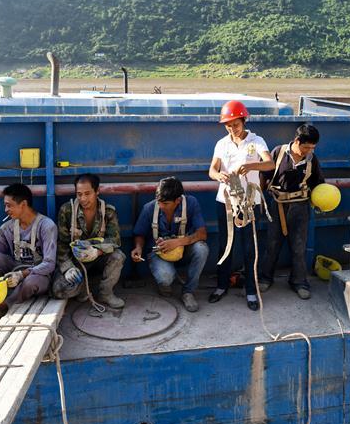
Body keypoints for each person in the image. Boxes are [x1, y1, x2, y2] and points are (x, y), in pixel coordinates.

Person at [207, 100, 273, 311]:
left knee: (248, 247)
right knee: (225, 245)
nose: (232, 129)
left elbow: (269, 164)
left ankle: (251, 291)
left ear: (243, 121)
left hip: (248, 203)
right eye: (228, 125)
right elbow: (212, 170)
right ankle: (221, 285)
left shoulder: (256, 141)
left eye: (235, 124)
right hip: (225, 201)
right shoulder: (222, 143)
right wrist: (219, 175)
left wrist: (250, 165)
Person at [0, 183, 57, 322]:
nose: (6, 209)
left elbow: (49, 264)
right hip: (15, 270)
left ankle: (4, 306)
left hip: (38, 275)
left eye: (9, 205)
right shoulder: (7, 228)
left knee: (30, 282)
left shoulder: (47, 226)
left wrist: (22, 274)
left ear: (23, 204)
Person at [259, 124, 325, 299]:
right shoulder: (278, 153)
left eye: (312, 147)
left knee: (298, 247)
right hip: (277, 206)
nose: (309, 151)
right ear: (296, 141)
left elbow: (319, 184)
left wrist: (321, 201)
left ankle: (299, 282)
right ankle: (265, 278)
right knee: (272, 244)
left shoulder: (312, 159)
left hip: (301, 208)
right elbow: (264, 176)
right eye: (306, 147)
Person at [131, 177, 208, 313]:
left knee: (202, 249)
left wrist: (178, 242)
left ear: (178, 200)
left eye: (165, 203)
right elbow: (140, 234)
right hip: (158, 253)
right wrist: (138, 248)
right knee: (166, 278)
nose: (161, 206)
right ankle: (165, 282)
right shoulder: (150, 208)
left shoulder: (190, 203)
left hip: (183, 250)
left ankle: (188, 292)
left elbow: (202, 234)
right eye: (159, 202)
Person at [50, 174, 126, 309]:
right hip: (76, 262)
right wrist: (68, 268)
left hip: (99, 259)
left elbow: (115, 240)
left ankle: (105, 293)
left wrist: (98, 251)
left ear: (97, 192)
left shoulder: (108, 211)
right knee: (59, 290)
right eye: (79, 194)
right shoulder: (67, 211)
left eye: (87, 193)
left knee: (118, 257)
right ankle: (84, 287)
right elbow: (61, 243)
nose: (83, 199)